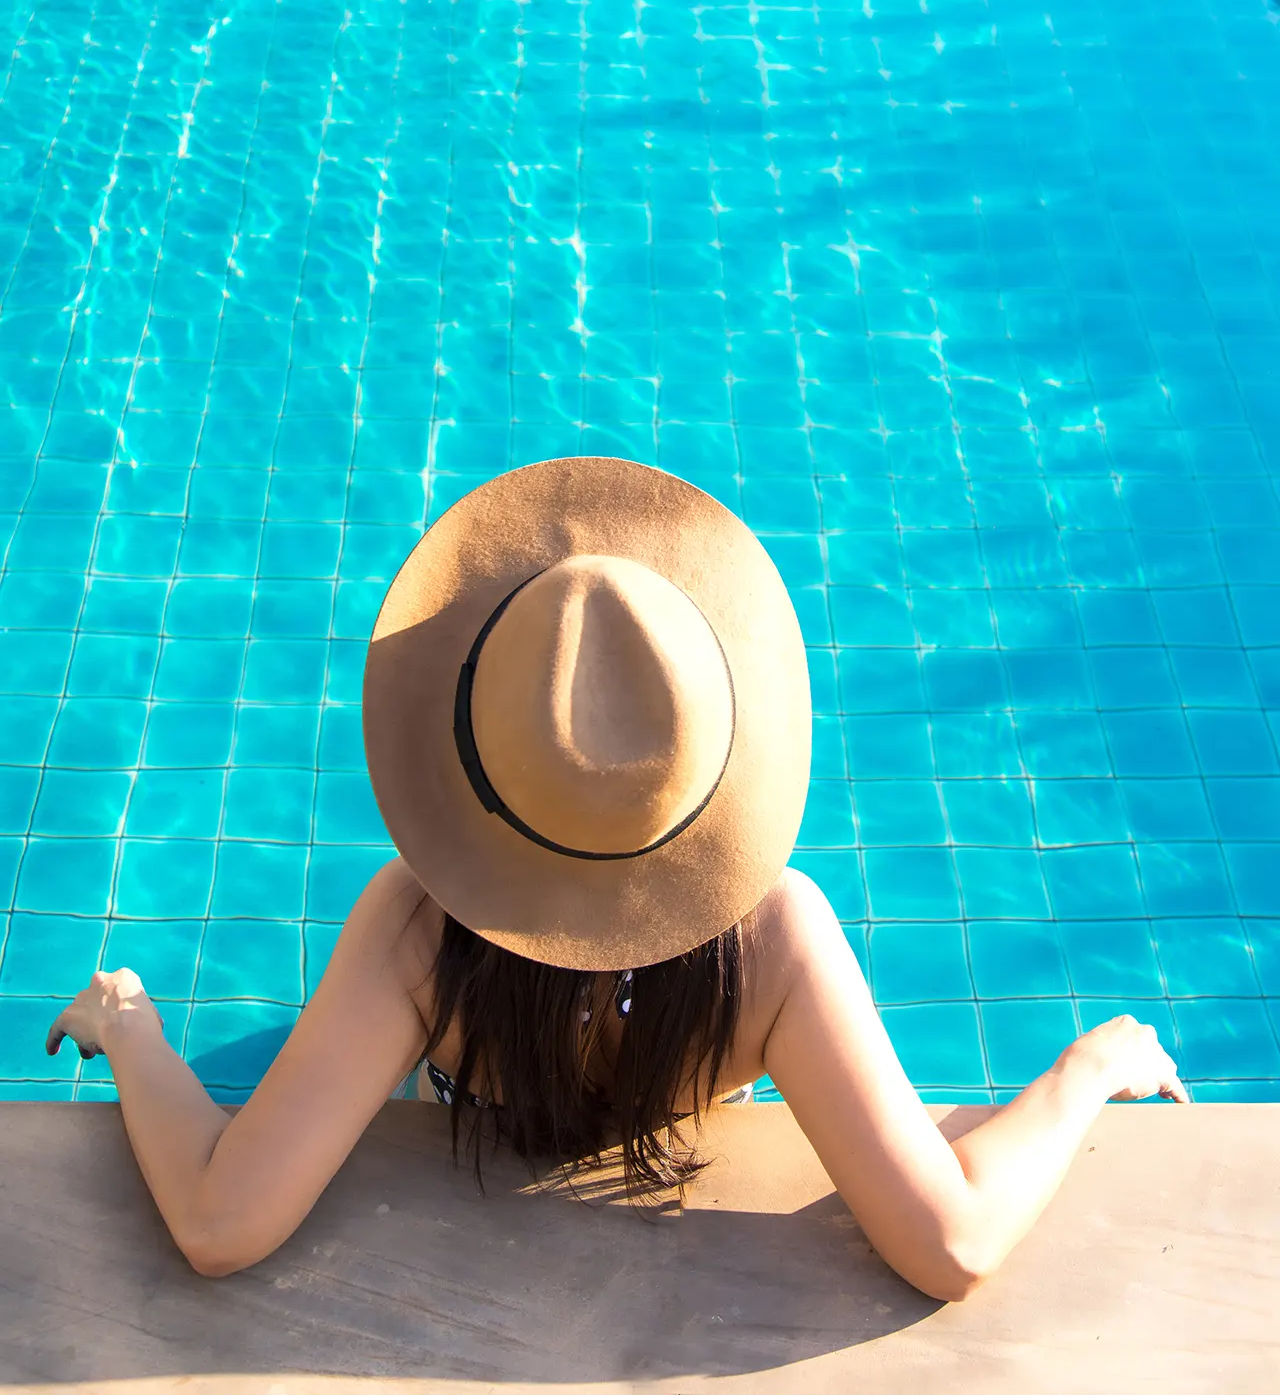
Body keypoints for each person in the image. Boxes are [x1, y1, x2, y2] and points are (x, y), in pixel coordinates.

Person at [47, 457, 1187, 1299]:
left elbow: (219, 1218)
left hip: (482, 1071)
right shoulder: (773, 937)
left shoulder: (413, 927)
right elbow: (953, 1240)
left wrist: (132, 1026)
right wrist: (1085, 1068)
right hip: (679, 1076)